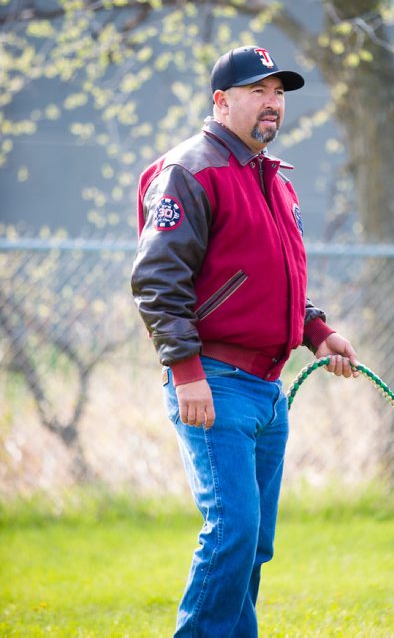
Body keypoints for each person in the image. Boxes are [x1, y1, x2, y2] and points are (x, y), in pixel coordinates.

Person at [131, 45, 358, 637]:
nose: (272, 104)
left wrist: (318, 332)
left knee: (252, 545)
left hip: (266, 388)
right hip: (214, 382)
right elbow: (157, 280)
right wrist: (185, 373)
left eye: (279, 93)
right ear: (222, 101)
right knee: (232, 533)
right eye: (258, 91)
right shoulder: (190, 170)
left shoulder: (274, 179)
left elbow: (276, 275)